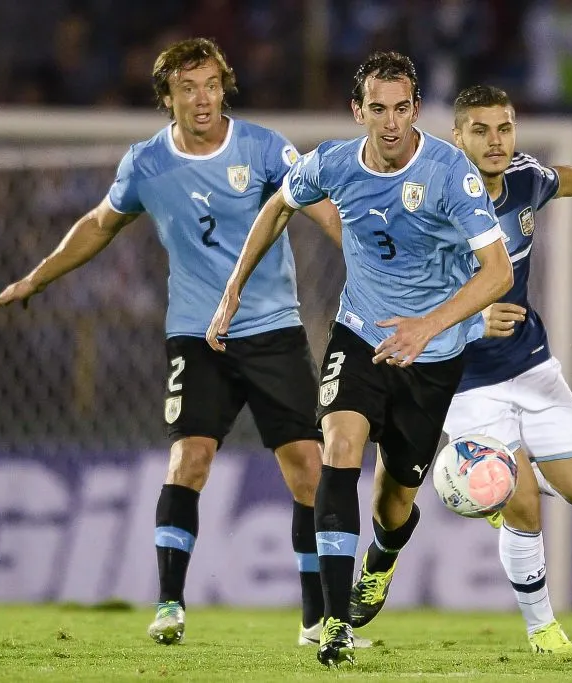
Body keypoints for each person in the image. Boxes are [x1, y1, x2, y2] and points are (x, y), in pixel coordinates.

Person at [0, 37, 357, 648]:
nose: (203, 97)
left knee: (308, 473)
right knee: (190, 460)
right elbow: (99, 224)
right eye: (188, 88)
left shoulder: (264, 147)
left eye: (212, 84)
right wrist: (37, 275)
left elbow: (320, 207)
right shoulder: (146, 164)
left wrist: (374, 268)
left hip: (273, 329)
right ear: (168, 97)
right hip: (196, 334)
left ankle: (315, 618)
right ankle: (169, 604)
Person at [206, 51, 513, 668]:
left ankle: (383, 555)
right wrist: (235, 284)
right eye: (378, 109)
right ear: (358, 111)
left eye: (403, 108)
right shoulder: (333, 163)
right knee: (339, 449)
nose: (392, 122)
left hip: (433, 353)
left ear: (417, 110)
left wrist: (427, 327)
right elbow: (277, 206)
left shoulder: (453, 174)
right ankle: (333, 620)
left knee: (394, 504)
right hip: (361, 334)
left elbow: (498, 272)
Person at [437, 84, 572, 653]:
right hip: (468, 381)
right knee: (523, 500)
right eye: (480, 130)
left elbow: (561, 177)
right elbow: (401, 299)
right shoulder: (432, 202)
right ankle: (542, 628)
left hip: (532, 366)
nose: (495, 140)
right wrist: (468, 325)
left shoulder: (524, 178)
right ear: (457, 138)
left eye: (503, 127)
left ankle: (500, 486)